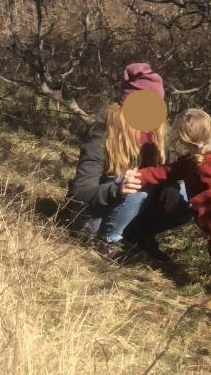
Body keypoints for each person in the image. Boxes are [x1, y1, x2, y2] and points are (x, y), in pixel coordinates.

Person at [135, 107, 211, 310]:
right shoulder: (203, 156)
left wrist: (196, 201)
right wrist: (143, 176)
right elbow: (171, 170)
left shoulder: (208, 162)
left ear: (186, 140)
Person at [64, 62, 189, 256]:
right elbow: (81, 192)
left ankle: (137, 235)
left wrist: (171, 186)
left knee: (190, 192)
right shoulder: (103, 133)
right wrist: (117, 189)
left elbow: (166, 170)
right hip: (93, 217)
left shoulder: (156, 134)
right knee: (137, 183)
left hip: (129, 207)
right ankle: (106, 243)